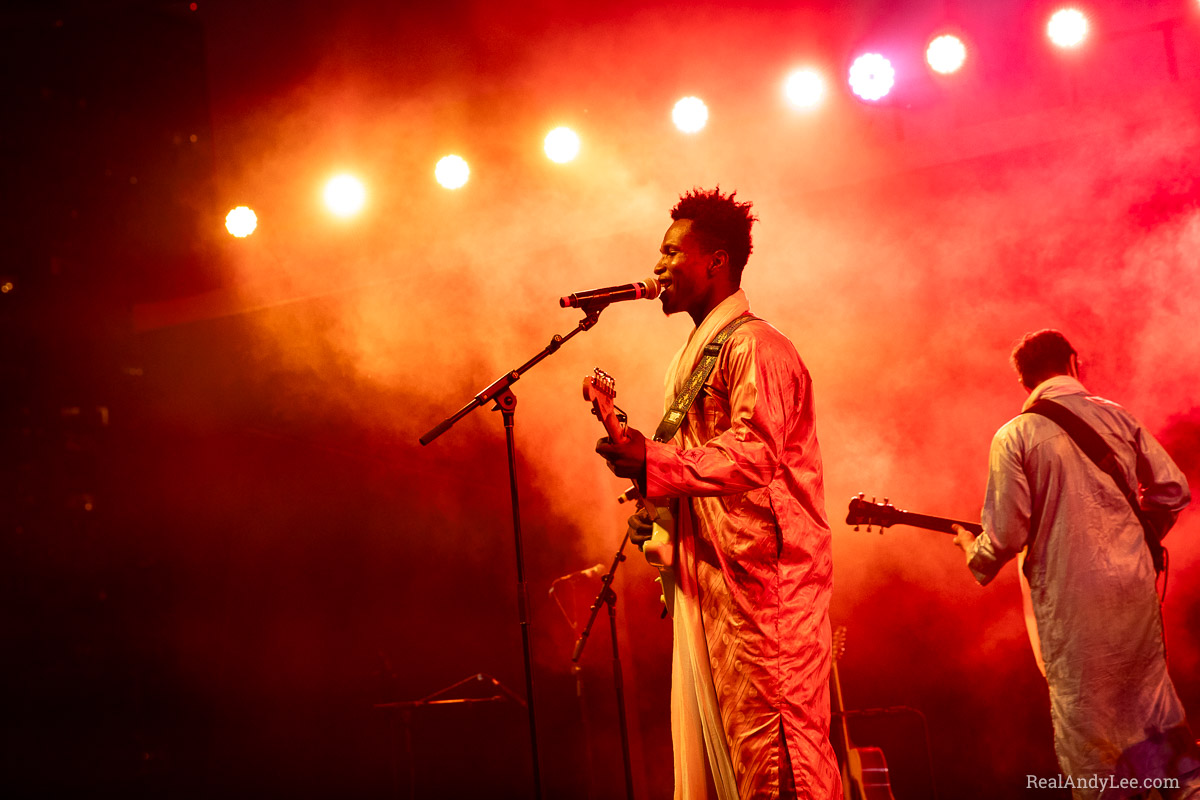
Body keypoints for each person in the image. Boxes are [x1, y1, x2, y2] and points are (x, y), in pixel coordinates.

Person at [595, 187, 840, 800]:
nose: (656, 268)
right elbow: (701, 461)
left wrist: (652, 460)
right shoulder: (700, 353)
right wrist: (641, 468)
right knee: (730, 756)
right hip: (718, 585)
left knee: (778, 758)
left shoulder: (757, 346)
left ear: (717, 262)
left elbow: (754, 454)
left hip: (767, 591)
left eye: (671, 252)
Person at [952, 329, 1200, 800]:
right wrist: (1135, 541)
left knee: (1089, 727)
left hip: (1073, 602)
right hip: (1132, 591)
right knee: (1153, 707)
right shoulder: (1117, 416)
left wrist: (974, 551)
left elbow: (1005, 534)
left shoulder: (1014, 436)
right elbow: (1173, 491)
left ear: (1025, 382)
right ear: (1073, 361)